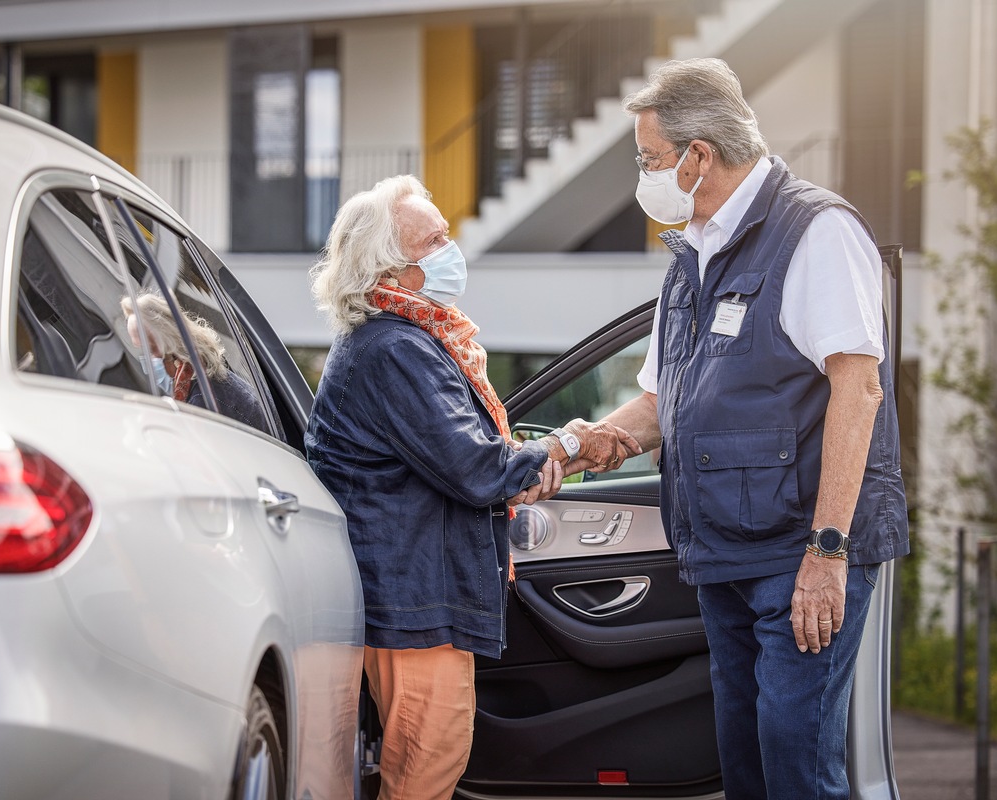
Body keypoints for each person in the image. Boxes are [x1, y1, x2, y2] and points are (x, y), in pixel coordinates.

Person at [599, 58, 909, 800]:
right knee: (745, 764)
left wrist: (827, 551)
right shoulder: (694, 256)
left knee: (795, 767)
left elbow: (858, 390)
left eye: (650, 160)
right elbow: (660, 402)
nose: (643, 175)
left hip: (799, 551)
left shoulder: (814, 230)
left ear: (698, 156)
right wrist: (574, 446)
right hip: (727, 558)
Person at [305, 175, 636, 800]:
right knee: (424, 774)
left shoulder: (400, 341)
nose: (451, 249)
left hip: (414, 597)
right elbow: (477, 468)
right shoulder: (395, 349)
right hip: (413, 604)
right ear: (396, 272)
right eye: (435, 241)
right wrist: (566, 444)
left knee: (423, 767)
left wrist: (546, 452)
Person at [121, 292, 270, 432]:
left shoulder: (203, 401)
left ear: (170, 345)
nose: (149, 361)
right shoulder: (205, 380)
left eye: (152, 351)